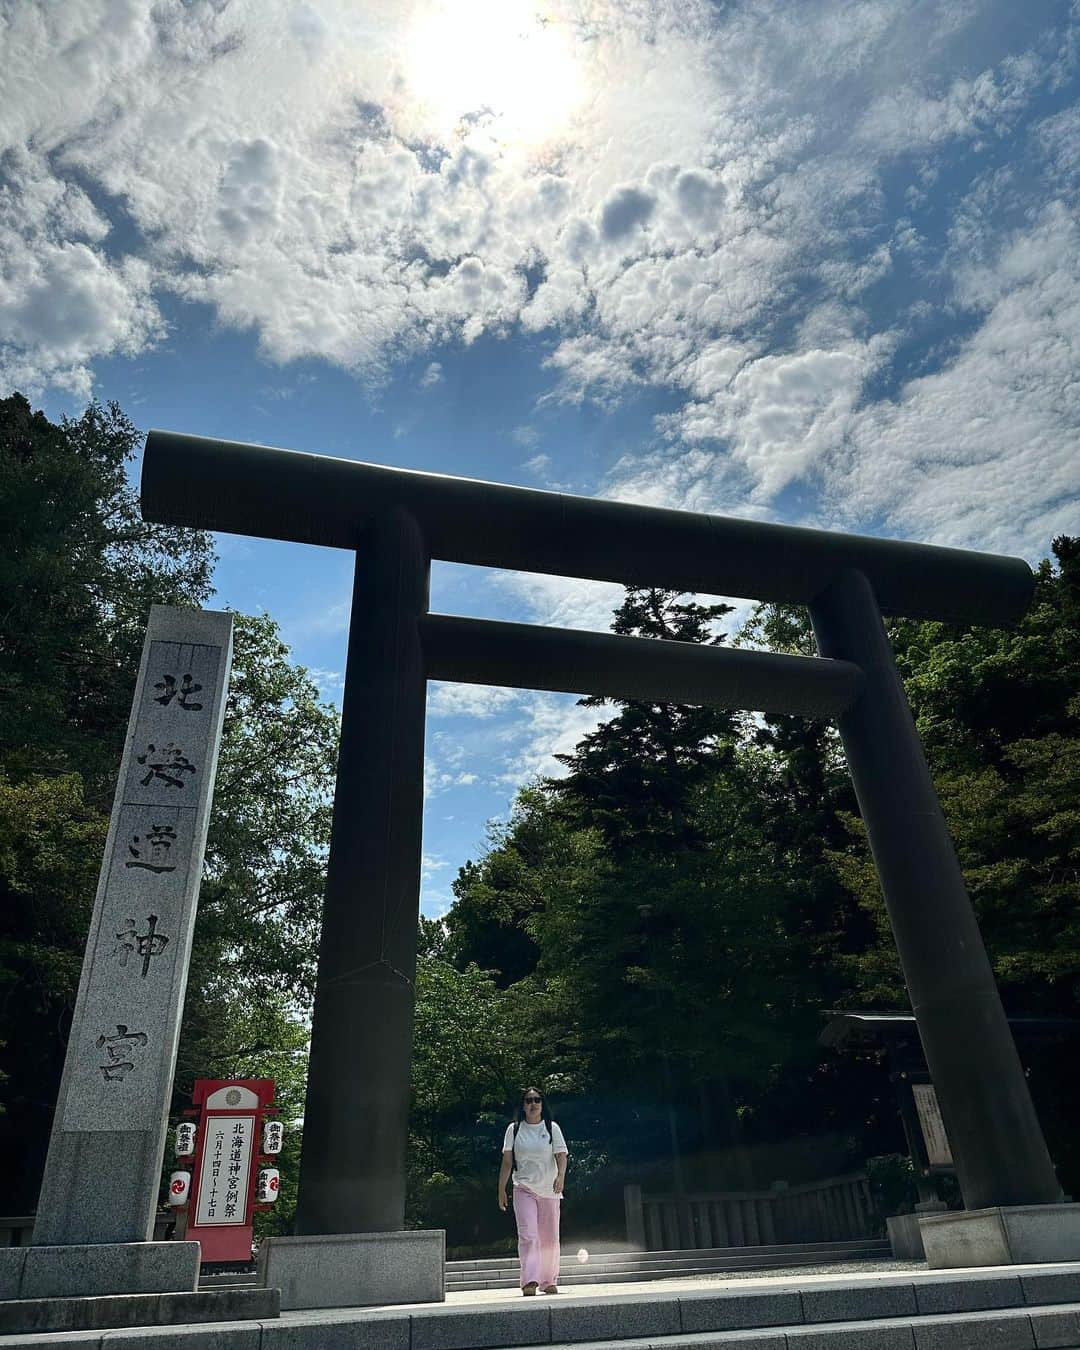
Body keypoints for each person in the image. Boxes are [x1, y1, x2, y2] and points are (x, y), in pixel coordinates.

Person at [497, 1086, 568, 1295]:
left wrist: (561, 1176)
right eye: (528, 1100)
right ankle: (529, 1280)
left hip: (549, 1189)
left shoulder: (551, 1128)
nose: (533, 1104)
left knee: (550, 1237)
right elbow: (507, 1161)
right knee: (528, 1234)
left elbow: (561, 1155)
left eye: (537, 1100)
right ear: (523, 1105)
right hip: (523, 1188)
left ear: (542, 1104)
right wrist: (501, 1189)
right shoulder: (514, 1129)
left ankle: (548, 1280)